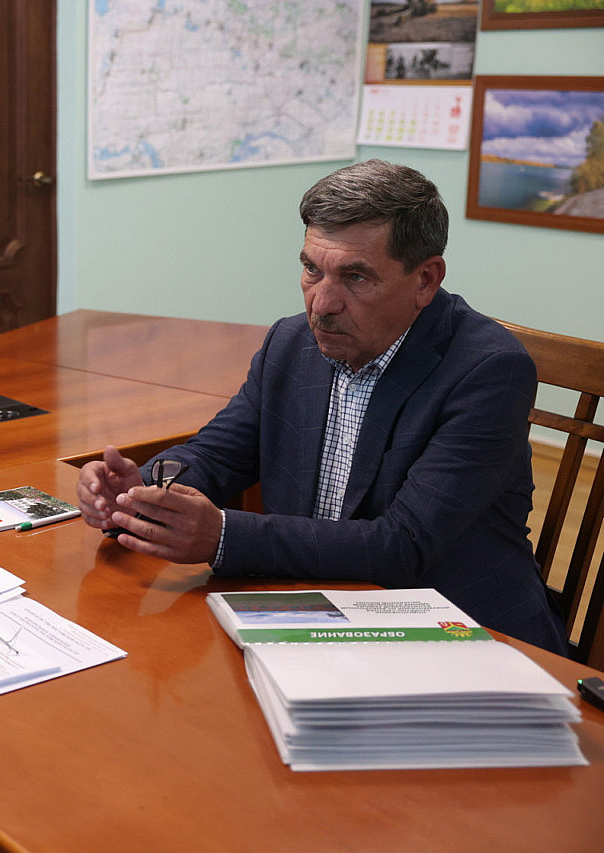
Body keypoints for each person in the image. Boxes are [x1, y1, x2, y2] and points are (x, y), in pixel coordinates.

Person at [76, 160, 568, 654]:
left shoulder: (489, 370)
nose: (322, 304)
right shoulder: (291, 342)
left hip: (454, 630)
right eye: (313, 269)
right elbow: (218, 453)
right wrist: (140, 492)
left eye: (355, 276)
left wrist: (223, 536)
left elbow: (405, 545)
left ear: (425, 279)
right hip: (312, 610)